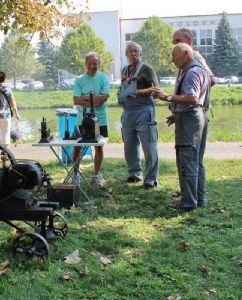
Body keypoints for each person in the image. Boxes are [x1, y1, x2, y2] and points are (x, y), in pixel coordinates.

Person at [154, 43, 211, 211]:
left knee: (187, 162)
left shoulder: (192, 73)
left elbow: (192, 98)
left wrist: (167, 97)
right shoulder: (201, 70)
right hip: (197, 117)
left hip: (190, 121)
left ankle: (188, 203)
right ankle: (199, 199)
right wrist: (176, 114)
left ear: (186, 54)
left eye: (175, 56)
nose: (172, 60)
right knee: (196, 161)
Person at [117, 42, 159, 189]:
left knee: (149, 146)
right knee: (129, 145)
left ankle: (150, 180)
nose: (133, 54)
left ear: (140, 54)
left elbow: (156, 90)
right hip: (128, 112)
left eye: (136, 51)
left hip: (144, 110)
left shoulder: (147, 69)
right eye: (130, 51)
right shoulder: (124, 71)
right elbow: (123, 88)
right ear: (126, 55)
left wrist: (136, 92)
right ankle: (134, 174)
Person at [72, 52, 110, 185]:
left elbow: (103, 98)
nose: (93, 66)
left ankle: (95, 175)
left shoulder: (104, 78)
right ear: (85, 64)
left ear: (99, 64)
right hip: (82, 120)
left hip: (101, 120)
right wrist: (94, 98)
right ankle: (75, 175)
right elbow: (76, 100)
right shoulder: (79, 80)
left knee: (98, 147)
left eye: (95, 63)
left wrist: (85, 97)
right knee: (77, 147)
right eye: (90, 63)